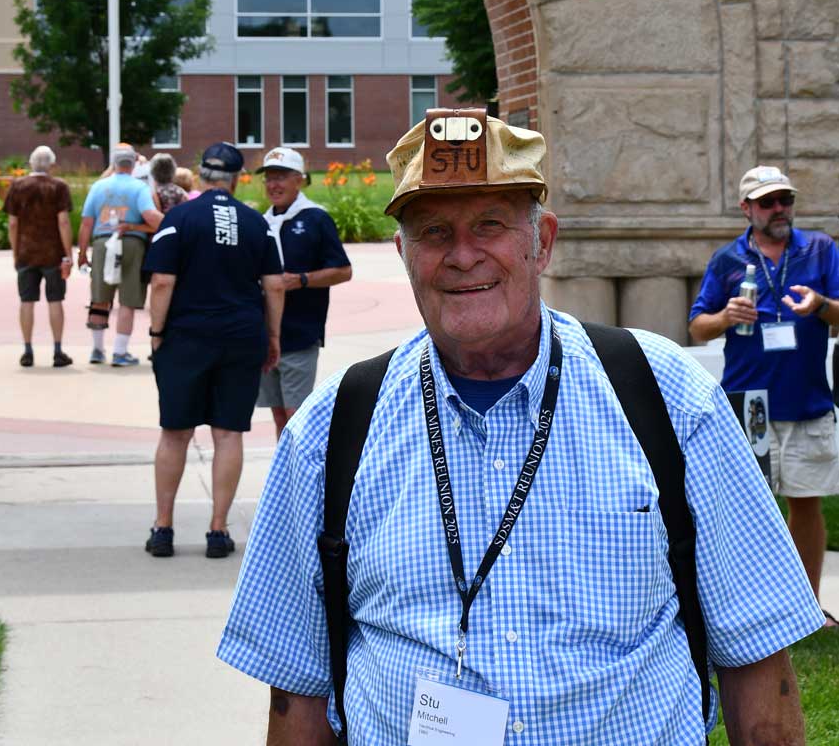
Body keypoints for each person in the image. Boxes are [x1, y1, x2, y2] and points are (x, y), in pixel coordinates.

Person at [219, 110, 824, 745]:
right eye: (433, 232)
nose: (462, 255)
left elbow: (758, 656)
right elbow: (297, 693)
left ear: (543, 243)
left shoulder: (668, 397)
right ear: (403, 254)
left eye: (490, 225)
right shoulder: (332, 428)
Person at [690, 164, 839, 625]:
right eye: (768, 201)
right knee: (746, 509)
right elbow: (697, 328)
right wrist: (725, 317)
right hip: (748, 400)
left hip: (807, 398)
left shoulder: (820, 248)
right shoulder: (728, 260)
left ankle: (806, 608)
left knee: (806, 501)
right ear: (747, 208)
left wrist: (820, 306)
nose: (779, 209)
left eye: (785, 200)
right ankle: (752, 612)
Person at [144, 142, 284, 560]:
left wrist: (155, 332)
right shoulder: (257, 224)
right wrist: (272, 335)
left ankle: (163, 527)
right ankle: (218, 530)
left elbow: (162, 282)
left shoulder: (178, 219)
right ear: (237, 179)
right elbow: (275, 284)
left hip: (186, 336)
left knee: (176, 432)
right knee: (228, 433)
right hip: (242, 336)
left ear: (202, 176)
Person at [254, 146, 352, 438]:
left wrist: (301, 280)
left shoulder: (316, 219)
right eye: (269, 177)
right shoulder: (262, 222)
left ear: (300, 180)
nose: (274, 185)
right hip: (266, 333)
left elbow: (343, 270)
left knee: (297, 418)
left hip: (300, 332)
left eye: (281, 177)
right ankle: (286, 478)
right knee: (279, 417)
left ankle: (303, 480)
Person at [76, 144, 162, 367]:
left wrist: (83, 252)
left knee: (100, 297)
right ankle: (120, 352)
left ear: (114, 164)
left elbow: (87, 223)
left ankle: (97, 349)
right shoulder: (139, 188)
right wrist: (137, 227)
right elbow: (153, 219)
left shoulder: (98, 187)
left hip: (103, 243)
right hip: (132, 245)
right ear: (133, 165)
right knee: (128, 299)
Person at [2, 145, 74, 369]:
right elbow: (63, 221)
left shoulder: (18, 186)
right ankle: (57, 349)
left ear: (31, 163)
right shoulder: (58, 187)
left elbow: (13, 223)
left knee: (26, 301)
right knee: (55, 300)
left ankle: (27, 349)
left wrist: (15, 251)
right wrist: (68, 254)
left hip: (26, 251)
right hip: (52, 253)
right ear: (51, 164)